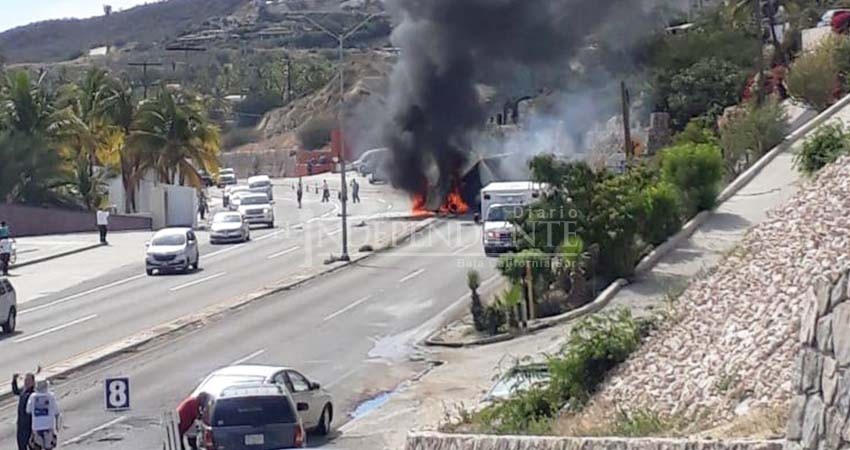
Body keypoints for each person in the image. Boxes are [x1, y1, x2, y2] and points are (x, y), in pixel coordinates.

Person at [26, 379, 60, 450]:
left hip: (37, 427)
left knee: (37, 446)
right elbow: (56, 411)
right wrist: (57, 424)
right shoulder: (51, 396)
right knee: (48, 447)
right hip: (48, 426)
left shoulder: (32, 397)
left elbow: (28, 410)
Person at [12, 373, 35, 450]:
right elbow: (16, 391)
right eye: (25, 380)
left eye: (28, 380)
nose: (26, 382)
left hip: (29, 425)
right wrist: (14, 381)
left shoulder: (33, 394)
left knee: (30, 446)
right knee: (21, 444)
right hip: (21, 424)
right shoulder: (23, 391)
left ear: (33, 382)